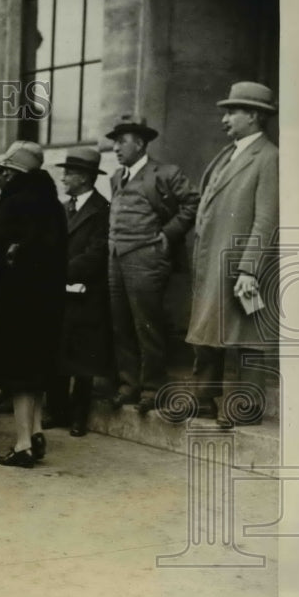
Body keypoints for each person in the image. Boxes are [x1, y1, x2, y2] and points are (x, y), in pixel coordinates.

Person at [186, 82, 279, 427]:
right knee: (209, 329)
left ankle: (247, 406)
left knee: (247, 332)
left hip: (242, 265)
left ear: (253, 116)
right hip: (213, 259)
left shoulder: (270, 157)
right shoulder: (228, 154)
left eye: (232, 111)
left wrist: (250, 269)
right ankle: (204, 398)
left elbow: (267, 218)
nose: (224, 119)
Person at [107, 115, 200, 414]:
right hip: (117, 258)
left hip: (146, 257)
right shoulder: (116, 177)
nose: (116, 148)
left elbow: (193, 203)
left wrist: (168, 235)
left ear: (141, 143)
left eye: (122, 142)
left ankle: (152, 387)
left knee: (147, 324)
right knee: (121, 324)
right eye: (115, 142)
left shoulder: (165, 172)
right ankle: (128, 384)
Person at [0, 141, 67, 468]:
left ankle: (22, 446)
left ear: (14, 171)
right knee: (37, 368)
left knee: (18, 372)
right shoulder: (54, 204)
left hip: (17, 297)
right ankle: (36, 430)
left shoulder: (14, 202)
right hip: (49, 299)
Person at [45, 147, 113, 437]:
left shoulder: (102, 211)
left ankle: (78, 416)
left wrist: (60, 271)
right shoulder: (61, 209)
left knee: (83, 359)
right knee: (56, 351)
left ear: (84, 178)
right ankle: (57, 411)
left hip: (87, 292)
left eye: (69, 173)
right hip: (59, 292)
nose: (63, 177)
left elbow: (96, 253)